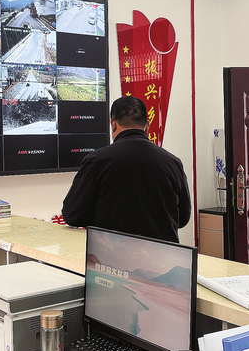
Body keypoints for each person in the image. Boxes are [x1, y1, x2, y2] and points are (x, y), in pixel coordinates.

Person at [62, 96, 191, 243]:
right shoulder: (173, 162)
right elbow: (183, 218)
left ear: (113, 124)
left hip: (113, 254)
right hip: (164, 255)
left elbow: (72, 215)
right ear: (147, 126)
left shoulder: (97, 161)